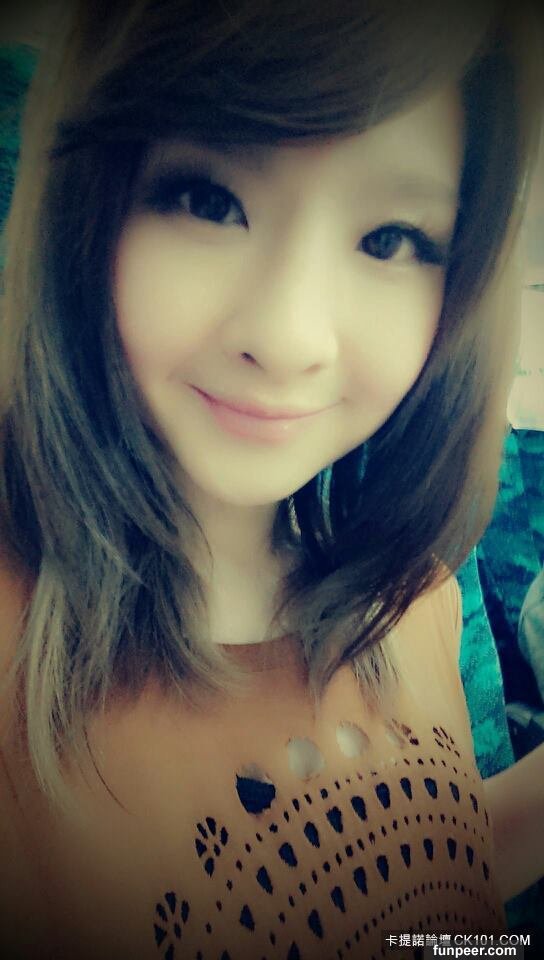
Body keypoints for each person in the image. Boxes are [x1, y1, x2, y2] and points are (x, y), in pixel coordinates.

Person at [0, 1, 543, 958]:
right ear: (91, 206)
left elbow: (409, 887)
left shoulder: (414, 600)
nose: (289, 338)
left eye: (390, 239)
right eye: (209, 200)